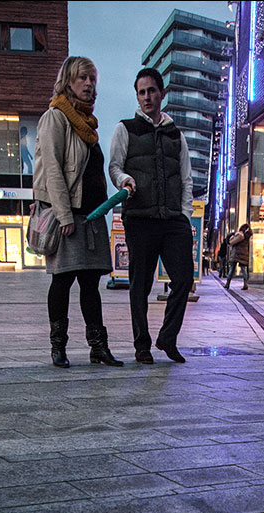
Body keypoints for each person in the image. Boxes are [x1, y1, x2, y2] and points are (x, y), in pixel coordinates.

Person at [33, 55, 122, 368]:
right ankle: (58, 347)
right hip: (69, 216)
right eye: (82, 78)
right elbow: (53, 170)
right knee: (62, 281)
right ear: (68, 82)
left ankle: (98, 348)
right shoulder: (56, 117)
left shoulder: (87, 124)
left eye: (92, 79)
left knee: (90, 285)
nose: (89, 84)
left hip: (93, 216)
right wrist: (64, 216)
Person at [109, 67, 194, 364]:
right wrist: (124, 181)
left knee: (183, 279)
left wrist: (184, 215)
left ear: (161, 93)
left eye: (152, 91)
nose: (147, 97)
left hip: (172, 221)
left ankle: (167, 338)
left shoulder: (176, 135)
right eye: (142, 92)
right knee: (140, 286)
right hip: (140, 219)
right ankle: (141, 344)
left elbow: (186, 179)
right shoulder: (126, 129)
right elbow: (115, 167)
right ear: (137, 96)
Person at [225, 223, 253, 290]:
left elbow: (232, 242)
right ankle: (245, 284)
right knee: (243, 269)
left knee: (232, 269)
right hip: (244, 254)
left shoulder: (240, 235)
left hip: (236, 253)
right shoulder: (248, 236)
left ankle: (227, 283)